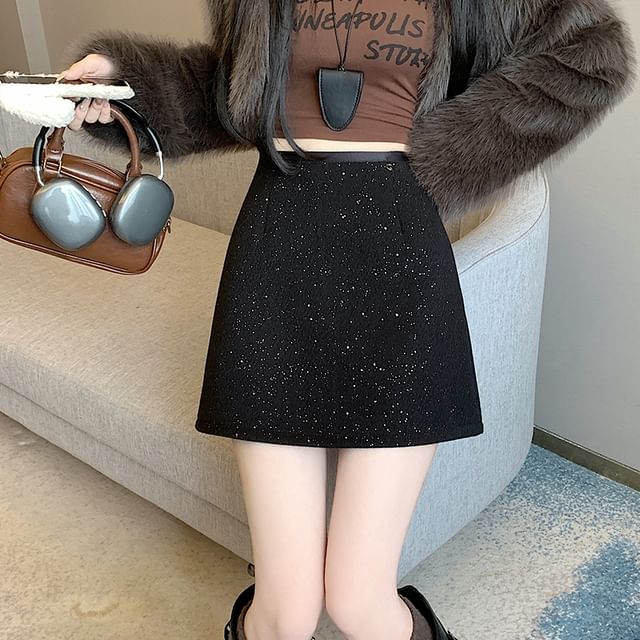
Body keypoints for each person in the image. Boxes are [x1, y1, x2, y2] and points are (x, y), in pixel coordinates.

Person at [56, 1, 636, 639]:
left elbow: (593, 58)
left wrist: (451, 154)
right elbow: (225, 92)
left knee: (360, 603)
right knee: (288, 613)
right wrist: (125, 81)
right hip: (278, 252)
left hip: (399, 258)